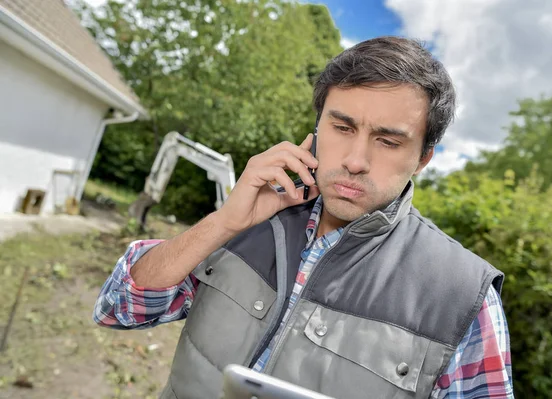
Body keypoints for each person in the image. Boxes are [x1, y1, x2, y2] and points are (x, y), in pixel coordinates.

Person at [93, 36, 513, 399]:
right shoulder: (244, 223)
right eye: (343, 128)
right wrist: (224, 222)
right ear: (315, 131)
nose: (355, 160)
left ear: (422, 159)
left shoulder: (463, 298)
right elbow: (119, 308)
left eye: (387, 141)